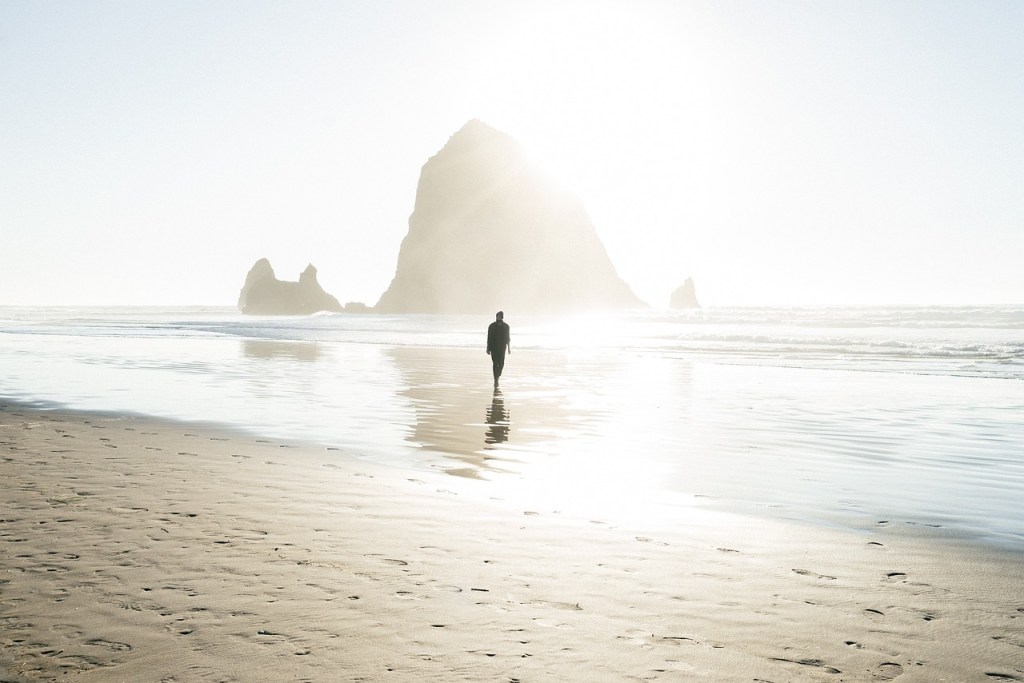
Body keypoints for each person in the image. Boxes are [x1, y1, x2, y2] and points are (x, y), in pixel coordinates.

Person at [486, 310, 511, 387]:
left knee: (501, 363)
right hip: (493, 347)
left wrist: (509, 348)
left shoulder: (506, 327)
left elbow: (508, 338)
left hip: (502, 347)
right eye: (497, 317)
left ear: (502, 318)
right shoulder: (491, 326)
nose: (498, 318)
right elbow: (489, 338)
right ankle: (496, 379)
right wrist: (488, 348)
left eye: (499, 317)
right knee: (495, 363)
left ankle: (498, 374)